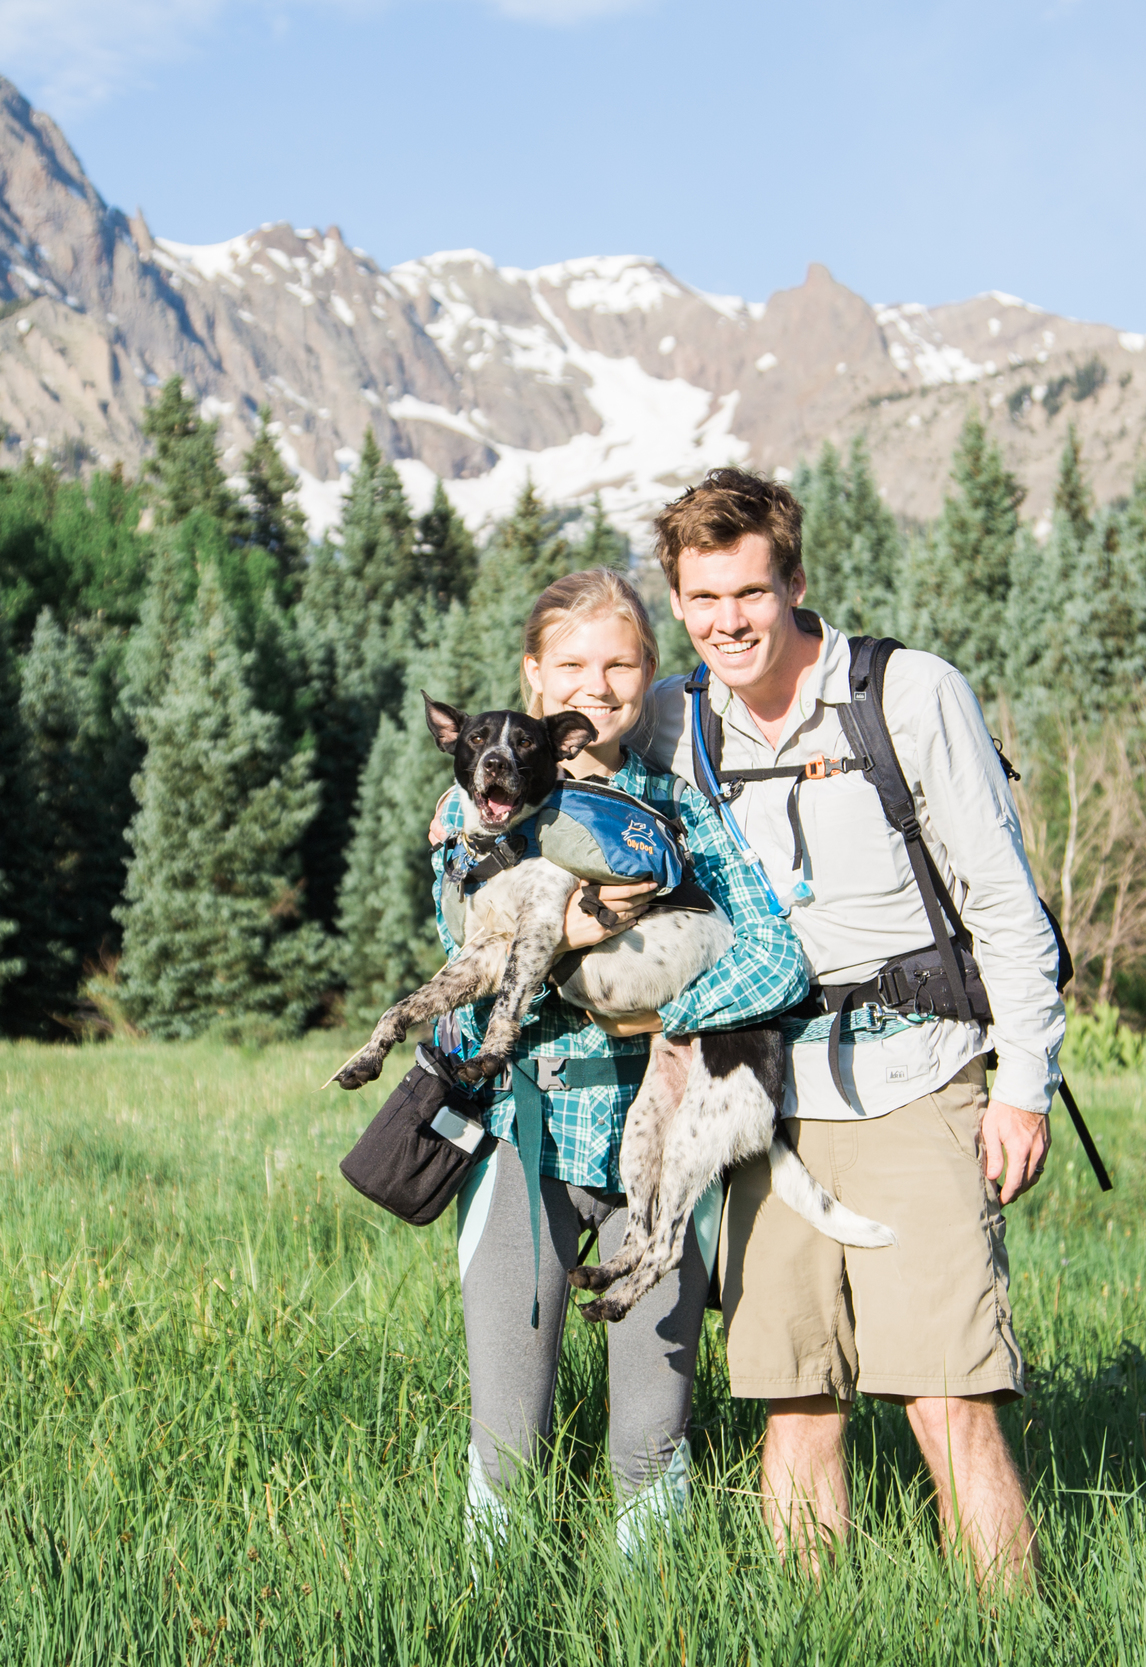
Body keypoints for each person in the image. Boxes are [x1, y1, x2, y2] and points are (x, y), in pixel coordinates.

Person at [630, 468, 1065, 1590]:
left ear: (795, 582)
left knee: (946, 1394)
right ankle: (809, 1630)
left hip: (915, 1077)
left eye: (749, 593)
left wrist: (1023, 1082)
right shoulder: (676, 719)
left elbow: (1004, 901)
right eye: (701, 599)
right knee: (794, 1395)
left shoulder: (908, 693)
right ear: (678, 600)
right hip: (761, 1097)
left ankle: (1017, 1629)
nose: (727, 621)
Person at [426, 568, 809, 1559]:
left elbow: (774, 951)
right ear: (531, 677)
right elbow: (463, 943)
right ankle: (483, 1627)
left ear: (651, 674)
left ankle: (653, 1621)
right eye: (569, 666)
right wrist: (575, 930)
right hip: (526, 1139)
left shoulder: (682, 805)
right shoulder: (474, 812)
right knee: (507, 1438)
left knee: (650, 1435)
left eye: (618, 663)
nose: (594, 686)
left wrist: (664, 1011)